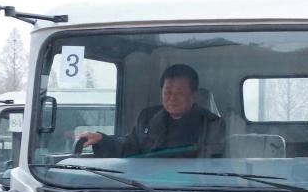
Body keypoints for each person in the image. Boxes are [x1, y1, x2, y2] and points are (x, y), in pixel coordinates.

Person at [78, 64, 224, 158]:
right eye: (167, 92)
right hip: (148, 186)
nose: (172, 98)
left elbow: (210, 164)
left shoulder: (212, 124)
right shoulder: (148, 117)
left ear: (194, 95)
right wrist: (102, 140)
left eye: (179, 92)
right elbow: (130, 147)